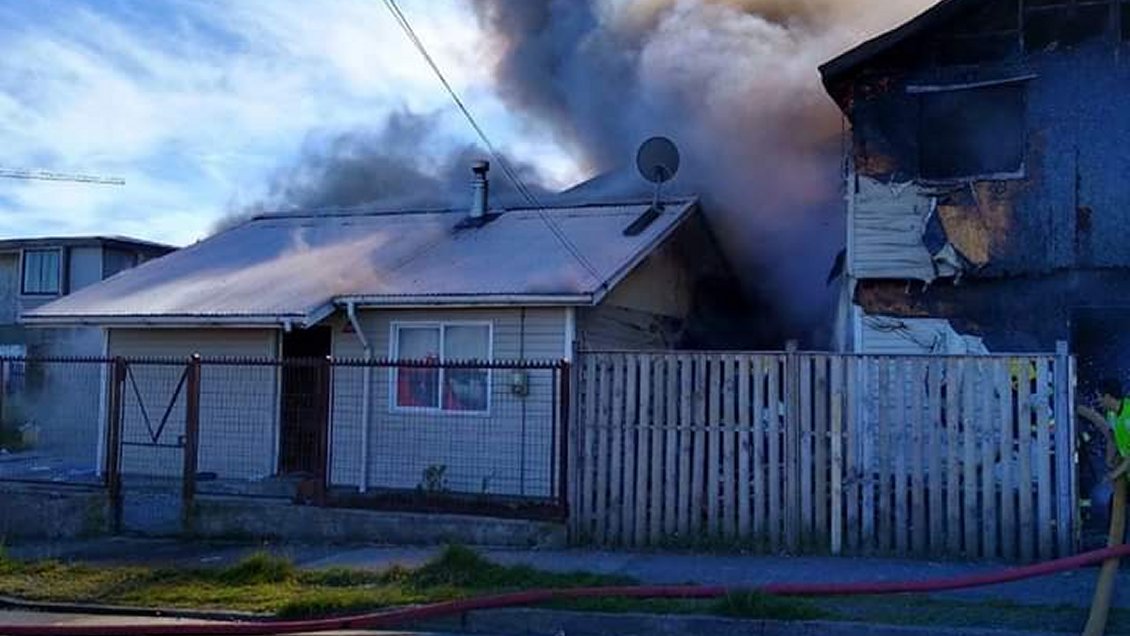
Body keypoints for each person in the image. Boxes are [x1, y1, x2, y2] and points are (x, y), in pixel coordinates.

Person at [1078, 378, 1130, 473]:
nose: (1098, 400)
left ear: (1107, 397)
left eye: (1099, 397)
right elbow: (1110, 435)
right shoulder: (1111, 415)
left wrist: (1115, 474)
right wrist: (1109, 460)